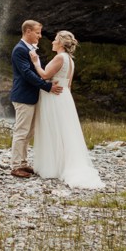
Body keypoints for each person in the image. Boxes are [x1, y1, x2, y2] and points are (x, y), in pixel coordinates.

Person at [29, 30, 105, 189]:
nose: (52, 42)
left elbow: (44, 76)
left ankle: (53, 166)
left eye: (55, 39)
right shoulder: (70, 60)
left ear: (62, 43)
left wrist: (36, 62)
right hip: (64, 97)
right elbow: (69, 84)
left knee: (54, 130)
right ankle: (60, 163)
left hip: (54, 98)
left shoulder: (59, 57)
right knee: (64, 131)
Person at [10, 19, 61, 178]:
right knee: (21, 131)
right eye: (37, 33)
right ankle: (16, 166)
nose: (40, 36)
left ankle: (23, 163)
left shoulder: (29, 49)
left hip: (30, 96)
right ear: (28, 31)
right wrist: (47, 87)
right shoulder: (20, 50)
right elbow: (27, 74)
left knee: (29, 132)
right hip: (23, 96)